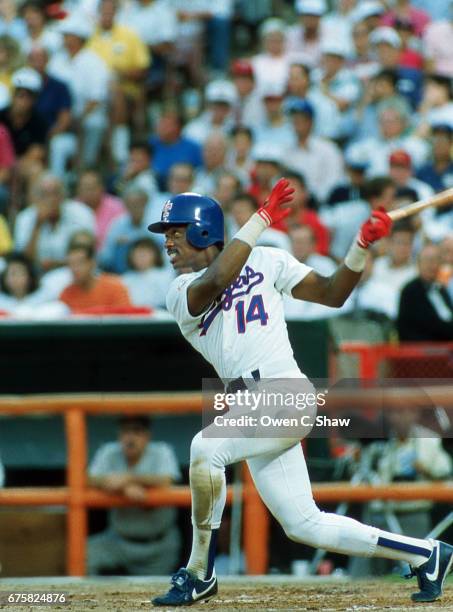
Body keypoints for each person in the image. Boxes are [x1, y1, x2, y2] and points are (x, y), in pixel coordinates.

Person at [148, 182, 453, 605]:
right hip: (247, 407)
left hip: (284, 392)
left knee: (206, 447)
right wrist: (261, 219)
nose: (167, 241)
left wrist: (360, 246)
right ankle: (427, 553)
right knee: (304, 524)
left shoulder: (267, 259)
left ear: (202, 231)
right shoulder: (179, 291)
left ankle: (200, 572)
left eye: (175, 231)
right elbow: (217, 279)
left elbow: (333, 293)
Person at [349, 408, 452, 577]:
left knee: (418, 569)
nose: (400, 417)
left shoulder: (430, 439)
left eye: (404, 411)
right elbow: (360, 474)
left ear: (415, 414)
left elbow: (445, 471)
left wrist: (425, 469)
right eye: (395, 412)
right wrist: (360, 459)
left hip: (414, 512)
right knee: (362, 568)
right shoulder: (378, 440)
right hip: (380, 512)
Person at [88, 415, 181, 575]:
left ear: (147, 436)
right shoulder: (109, 452)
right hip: (117, 541)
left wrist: (128, 478)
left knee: (155, 595)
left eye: (137, 431)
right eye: (125, 432)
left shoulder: (161, 451)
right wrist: (124, 487)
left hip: (157, 546)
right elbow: (87, 479)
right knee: (84, 555)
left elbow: (166, 481)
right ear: (119, 435)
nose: (130, 438)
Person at [14, 173, 95, 271]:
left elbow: (88, 253)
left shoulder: (81, 213)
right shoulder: (24, 218)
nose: (51, 199)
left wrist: (57, 264)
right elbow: (24, 260)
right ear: (35, 198)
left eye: (55, 193)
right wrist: (37, 224)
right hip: (35, 275)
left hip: (73, 271)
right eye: (44, 195)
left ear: (63, 195)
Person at [397, 243, 453, 341]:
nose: (433, 265)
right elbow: (410, 328)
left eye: (436, 260)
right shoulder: (410, 291)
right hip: (422, 350)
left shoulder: (441, 289)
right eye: (429, 260)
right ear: (418, 263)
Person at [60, 243, 132, 313]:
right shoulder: (67, 294)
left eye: (80, 263)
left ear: (92, 263)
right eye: (71, 264)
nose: (74, 269)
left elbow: (126, 320)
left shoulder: (116, 288)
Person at [76, 170, 125, 250]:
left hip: (109, 255)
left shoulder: (117, 206)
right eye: (85, 188)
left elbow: (121, 236)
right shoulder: (73, 208)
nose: (89, 192)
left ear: (102, 188)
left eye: (92, 188)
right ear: (78, 190)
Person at [121, 237, 173, 309]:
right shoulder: (125, 279)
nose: (141, 257)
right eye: (138, 254)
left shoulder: (165, 276)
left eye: (145, 254)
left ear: (155, 255)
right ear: (131, 256)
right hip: (132, 317)